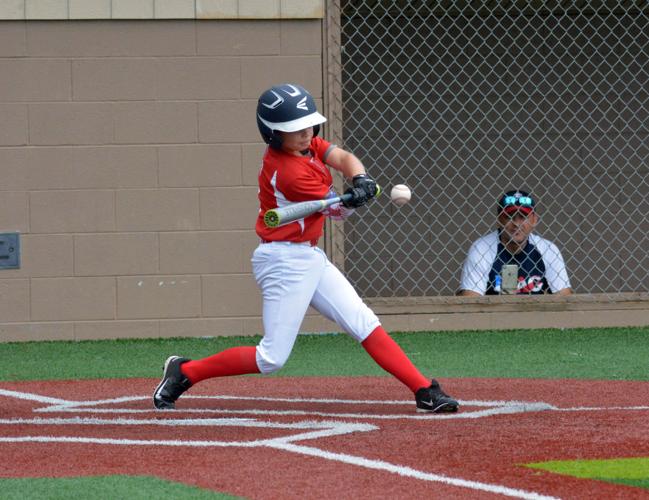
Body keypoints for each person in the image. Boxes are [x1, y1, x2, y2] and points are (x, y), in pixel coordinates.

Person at [154, 83, 458, 413]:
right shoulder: (289, 172)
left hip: (308, 255)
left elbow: (341, 157)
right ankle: (185, 372)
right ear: (273, 134)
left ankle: (423, 389)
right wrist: (356, 201)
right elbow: (337, 212)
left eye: (308, 125)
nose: (305, 133)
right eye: (294, 129)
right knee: (271, 357)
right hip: (283, 261)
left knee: (362, 321)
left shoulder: (304, 144)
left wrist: (361, 179)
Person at [458, 190, 572, 296]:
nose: (517, 224)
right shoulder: (481, 249)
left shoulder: (548, 250)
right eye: (509, 216)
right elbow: (470, 300)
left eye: (523, 217)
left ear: (534, 220)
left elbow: (564, 300)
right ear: (499, 220)